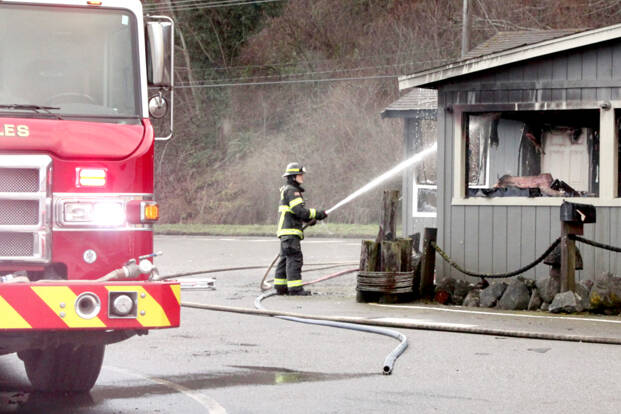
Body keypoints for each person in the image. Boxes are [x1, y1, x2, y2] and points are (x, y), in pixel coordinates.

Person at [274, 162, 328, 295]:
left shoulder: (286, 189)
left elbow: (294, 211)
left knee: (285, 258)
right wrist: (317, 213)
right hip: (290, 232)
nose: (302, 177)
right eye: (300, 175)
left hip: (285, 232)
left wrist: (309, 220)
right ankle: (295, 289)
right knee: (294, 258)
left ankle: (280, 287)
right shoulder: (292, 191)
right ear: (293, 177)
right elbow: (298, 210)